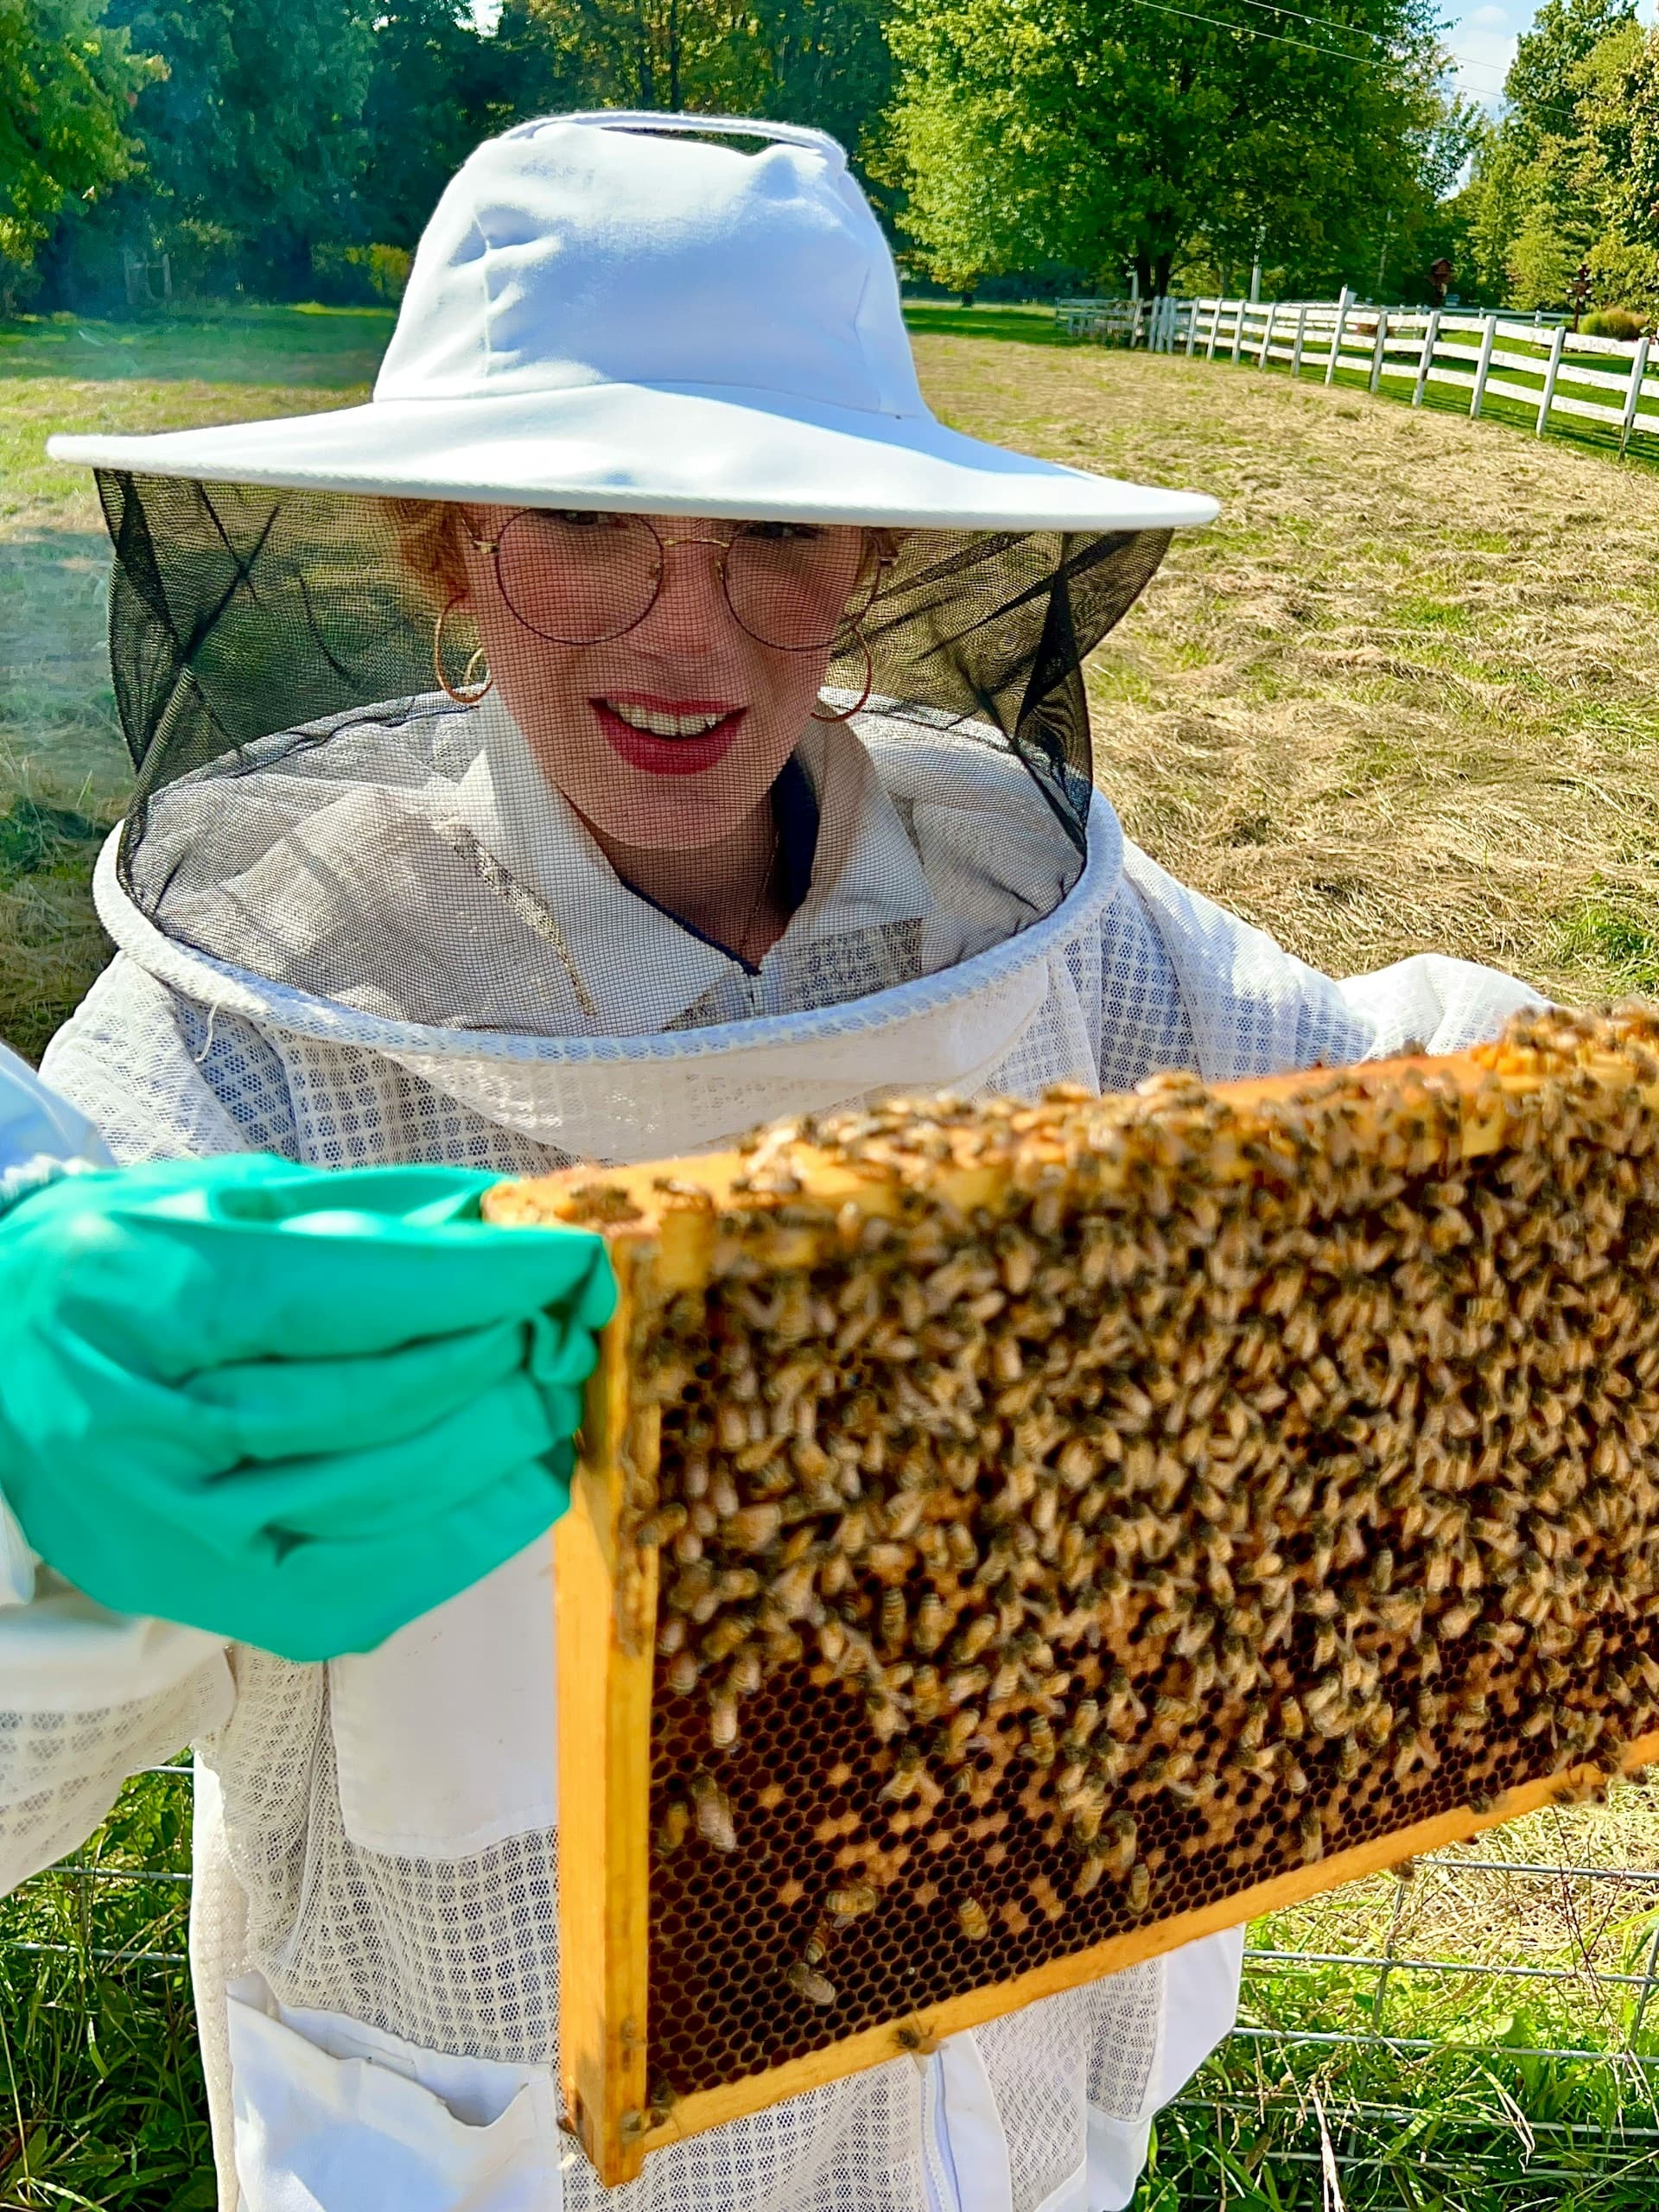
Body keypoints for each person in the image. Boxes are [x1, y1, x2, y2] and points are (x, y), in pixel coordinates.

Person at [20, 111, 1541, 2212]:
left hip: (1003, 2114)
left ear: (874, 557)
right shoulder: (255, 1030)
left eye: (772, 530)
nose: (689, 630)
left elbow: (1395, 1092)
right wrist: (34, 1482)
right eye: (585, 519)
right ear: (446, 541)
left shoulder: (1034, 917)